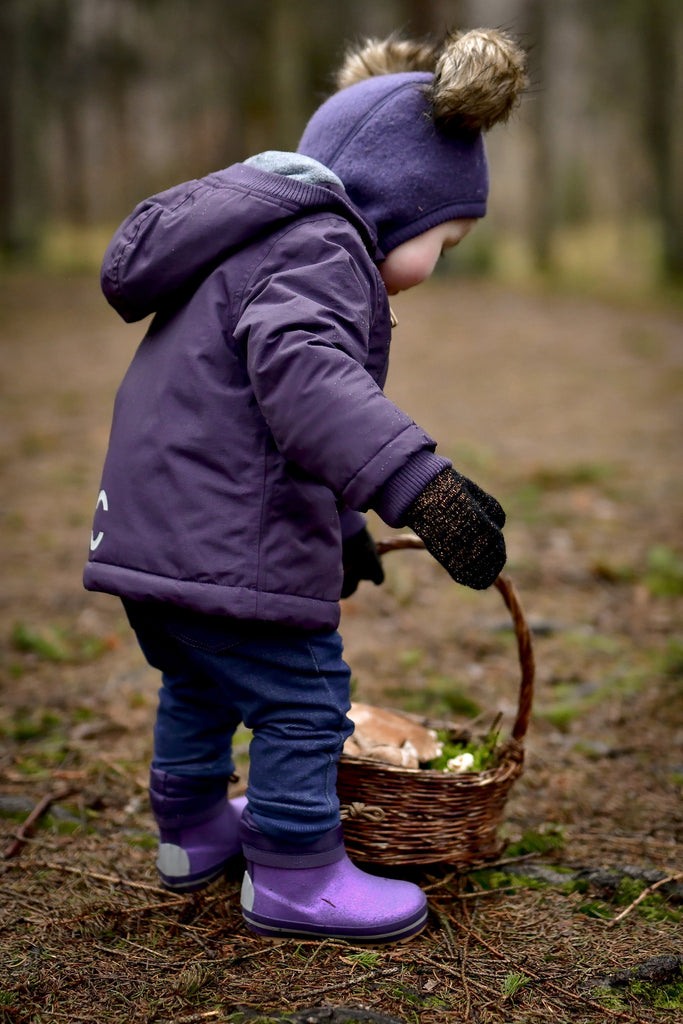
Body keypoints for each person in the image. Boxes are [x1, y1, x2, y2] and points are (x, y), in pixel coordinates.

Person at [85, 28, 527, 943]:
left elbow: (255, 427)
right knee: (302, 699)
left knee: (201, 681)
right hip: (214, 544)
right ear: (397, 201)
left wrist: (342, 531)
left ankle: (193, 837)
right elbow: (308, 387)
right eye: (447, 237)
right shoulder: (322, 249)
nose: (441, 263)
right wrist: (421, 486)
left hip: (153, 541)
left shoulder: (262, 247)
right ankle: (294, 872)